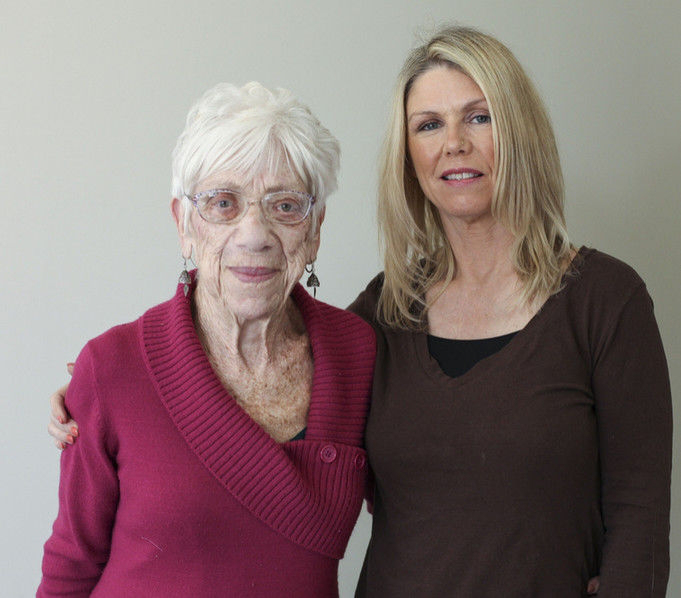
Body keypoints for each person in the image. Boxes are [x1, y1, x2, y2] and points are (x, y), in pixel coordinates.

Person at [48, 26, 673, 598]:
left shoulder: (602, 301)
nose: (454, 143)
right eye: (428, 125)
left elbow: (640, 512)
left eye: (479, 117)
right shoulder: (384, 314)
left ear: (314, 228)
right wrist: (93, 392)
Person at [38, 81, 376, 597]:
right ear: (184, 225)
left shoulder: (359, 353)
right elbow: (71, 565)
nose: (254, 234)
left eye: (286, 206)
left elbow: (423, 500)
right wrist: (94, 384)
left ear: (315, 229)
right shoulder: (111, 368)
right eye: (222, 203)